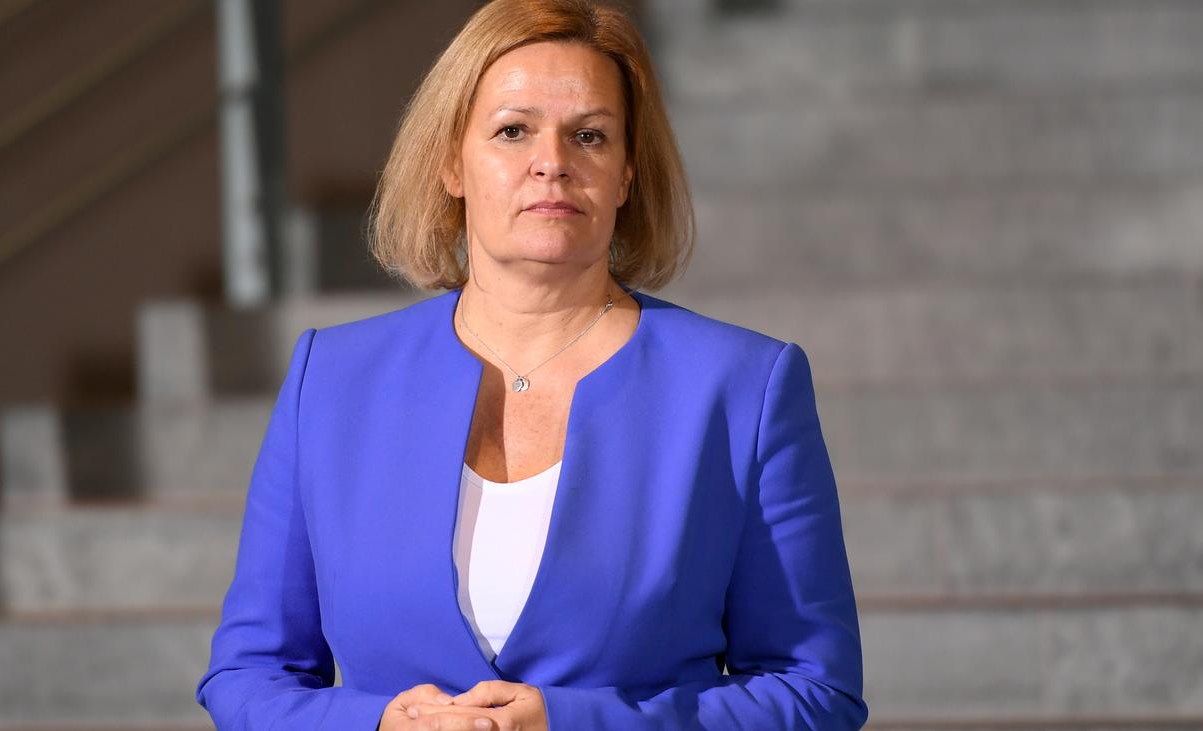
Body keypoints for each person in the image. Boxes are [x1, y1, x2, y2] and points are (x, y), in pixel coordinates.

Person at [195, 0, 868, 728]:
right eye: (513, 130)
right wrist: (381, 723)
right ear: (451, 162)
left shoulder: (742, 388)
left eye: (590, 135)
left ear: (626, 174)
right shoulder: (330, 380)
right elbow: (249, 676)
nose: (553, 162)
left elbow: (815, 690)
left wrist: (575, 722)